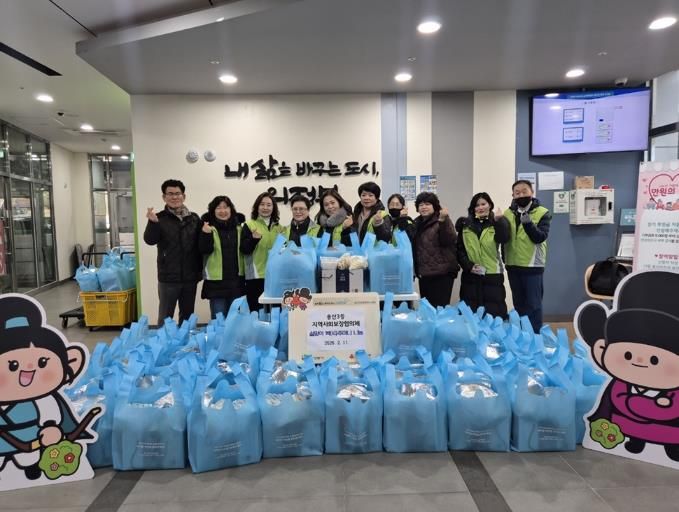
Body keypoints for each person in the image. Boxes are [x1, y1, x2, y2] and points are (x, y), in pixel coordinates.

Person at [143, 179, 202, 325]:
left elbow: (201, 245)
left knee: (187, 316)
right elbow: (150, 240)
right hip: (168, 277)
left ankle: (186, 339)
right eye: (170, 194)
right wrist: (153, 223)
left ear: (184, 196)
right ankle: (164, 340)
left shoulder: (194, 219)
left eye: (177, 193)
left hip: (190, 277)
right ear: (164, 197)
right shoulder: (159, 218)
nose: (174, 197)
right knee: (165, 316)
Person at [504, 179, 551, 333]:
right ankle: (522, 335)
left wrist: (528, 224)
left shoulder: (542, 212)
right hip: (513, 265)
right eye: (517, 193)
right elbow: (504, 238)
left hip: (532, 266)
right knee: (519, 304)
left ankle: (535, 336)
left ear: (532, 192)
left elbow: (540, 237)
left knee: (534, 305)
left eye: (524, 191)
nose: (521, 195)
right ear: (513, 195)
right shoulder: (507, 213)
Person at [455, 192, 510, 319]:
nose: (480, 207)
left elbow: (504, 238)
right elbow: (460, 249)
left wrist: (499, 221)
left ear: (490, 205)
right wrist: (468, 266)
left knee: (494, 312)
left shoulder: (496, 222)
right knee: (471, 314)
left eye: (483, 204)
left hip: (492, 274)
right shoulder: (465, 225)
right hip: (471, 275)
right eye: (477, 205)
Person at [198, 195, 245, 319]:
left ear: (231, 209)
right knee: (218, 319)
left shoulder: (239, 228)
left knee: (235, 319)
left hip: (236, 282)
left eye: (225, 207)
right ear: (213, 211)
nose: (222, 211)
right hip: (216, 283)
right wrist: (205, 234)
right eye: (218, 208)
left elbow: (245, 250)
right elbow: (203, 250)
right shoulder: (208, 228)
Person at [412, 192, 458, 307]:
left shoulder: (442, 219)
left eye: (427, 204)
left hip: (442, 274)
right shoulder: (416, 223)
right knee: (427, 309)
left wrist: (442, 221)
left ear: (435, 206)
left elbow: (449, 240)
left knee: (440, 310)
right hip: (424, 274)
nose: (424, 207)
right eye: (421, 204)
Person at [240, 191, 282, 310]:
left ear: (273, 208)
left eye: (269, 205)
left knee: (275, 311)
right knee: (257, 311)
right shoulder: (249, 225)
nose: (265, 208)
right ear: (257, 207)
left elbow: (283, 250)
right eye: (262, 204)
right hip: (255, 276)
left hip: (274, 275)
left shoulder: (279, 228)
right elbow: (244, 249)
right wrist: (253, 239)